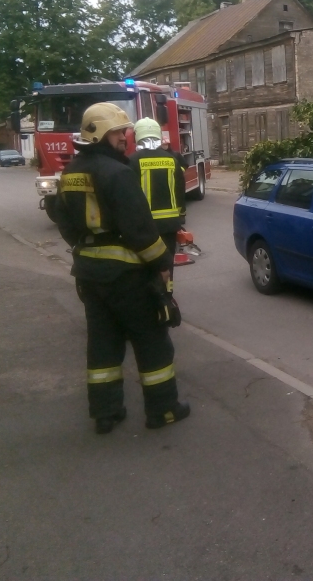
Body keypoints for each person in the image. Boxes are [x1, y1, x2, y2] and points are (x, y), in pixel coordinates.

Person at [53, 102, 190, 434]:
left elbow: (61, 218)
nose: (124, 138)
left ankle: (106, 412)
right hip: (127, 277)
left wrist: (84, 247)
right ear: (101, 134)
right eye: (118, 132)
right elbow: (140, 230)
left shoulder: (70, 173)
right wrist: (161, 266)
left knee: (103, 343)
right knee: (152, 341)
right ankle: (164, 410)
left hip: (88, 275)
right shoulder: (117, 173)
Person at [128, 118, 186, 274]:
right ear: (158, 135)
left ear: (137, 136)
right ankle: (167, 293)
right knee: (167, 264)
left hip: (145, 226)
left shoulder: (132, 161)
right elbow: (180, 190)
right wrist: (181, 216)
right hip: (169, 225)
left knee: (147, 265)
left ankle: (152, 294)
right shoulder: (172, 160)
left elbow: (129, 195)